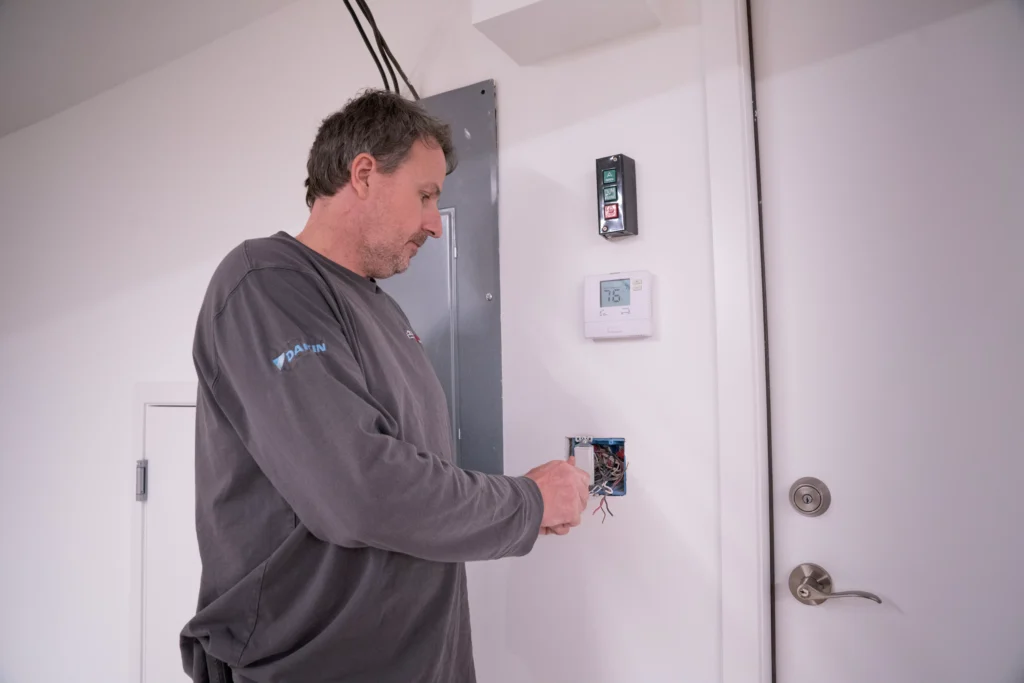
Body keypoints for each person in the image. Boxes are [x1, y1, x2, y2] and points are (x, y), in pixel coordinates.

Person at [180, 89, 591, 683]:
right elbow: (359, 490)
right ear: (364, 173)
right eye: (426, 195)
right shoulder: (266, 283)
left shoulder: (382, 311)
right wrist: (526, 502)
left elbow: (409, 476)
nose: (435, 224)